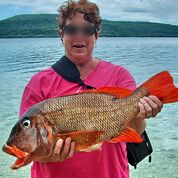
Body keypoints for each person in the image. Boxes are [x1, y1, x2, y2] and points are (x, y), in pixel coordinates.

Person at [19, 0, 163, 178]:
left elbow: (135, 130)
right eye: (72, 30)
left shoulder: (119, 75)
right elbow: (28, 145)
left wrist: (143, 113)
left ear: (97, 35)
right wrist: (49, 156)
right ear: (61, 34)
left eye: (87, 30)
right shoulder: (38, 83)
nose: (79, 36)